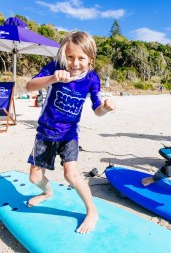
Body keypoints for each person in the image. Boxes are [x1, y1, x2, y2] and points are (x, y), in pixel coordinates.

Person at [26, 31, 116, 233]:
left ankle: (92, 211)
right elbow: (29, 85)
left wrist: (106, 108)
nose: (75, 63)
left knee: (71, 174)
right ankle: (47, 193)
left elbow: (97, 110)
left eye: (81, 58)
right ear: (62, 54)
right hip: (45, 132)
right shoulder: (55, 68)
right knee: (34, 178)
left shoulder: (92, 79)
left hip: (69, 134)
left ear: (90, 59)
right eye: (70, 57)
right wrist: (52, 78)